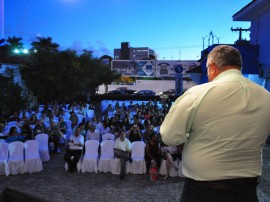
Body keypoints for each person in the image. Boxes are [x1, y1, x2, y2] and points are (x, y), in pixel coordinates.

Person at [160, 45, 270, 202]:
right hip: (247, 192)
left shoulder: (197, 94)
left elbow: (169, 137)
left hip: (203, 193)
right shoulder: (266, 97)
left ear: (212, 67)